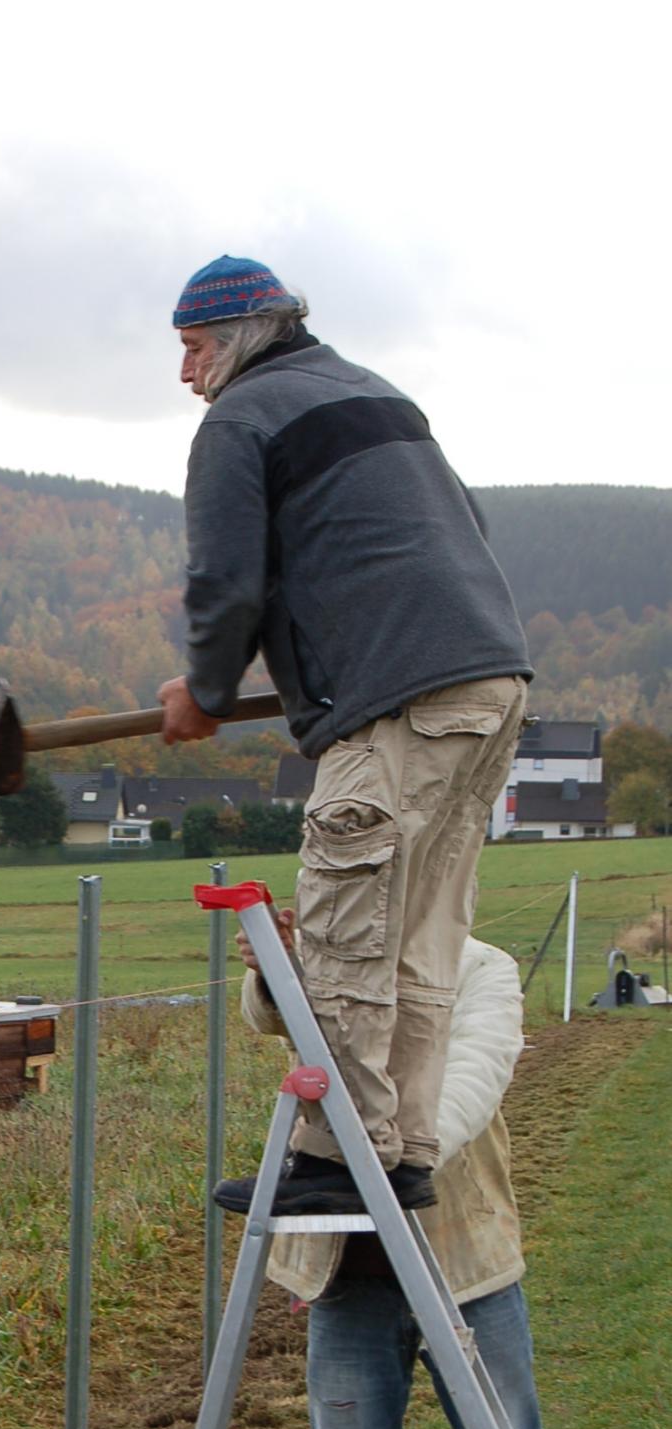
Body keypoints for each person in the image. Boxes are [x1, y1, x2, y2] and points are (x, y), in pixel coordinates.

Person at [158, 255, 532, 1217]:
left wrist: (202, 689)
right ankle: (400, 1148)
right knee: (416, 931)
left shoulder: (240, 420)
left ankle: (342, 1156)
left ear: (238, 338)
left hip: (397, 702)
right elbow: (463, 529)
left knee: (346, 924)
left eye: (193, 349)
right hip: (488, 684)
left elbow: (227, 579)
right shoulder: (376, 397)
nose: (187, 373)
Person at [237, 907, 574, 1429]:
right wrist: (277, 961)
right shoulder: (339, 965)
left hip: (466, 1276)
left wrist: (392, 1158)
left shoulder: (484, 970)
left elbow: (474, 1076)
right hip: (349, 1284)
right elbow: (268, 1014)